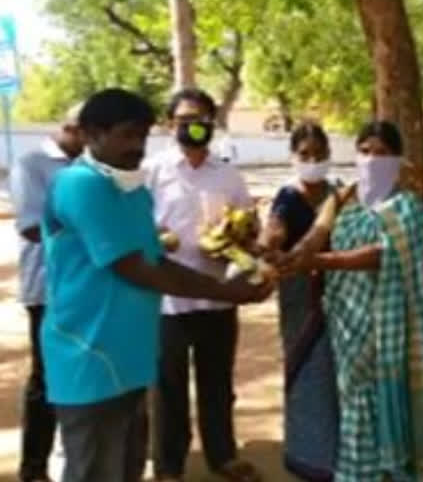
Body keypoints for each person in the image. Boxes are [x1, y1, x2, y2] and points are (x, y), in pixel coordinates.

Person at [41, 88, 273, 482]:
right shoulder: (81, 185)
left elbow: (154, 259)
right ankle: (171, 465)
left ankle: (217, 454)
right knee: (94, 468)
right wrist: (229, 291)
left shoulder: (131, 190)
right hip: (89, 355)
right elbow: (136, 269)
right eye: (128, 135)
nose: (137, 146)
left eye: (142, 136)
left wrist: (238, 271)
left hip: (128, 355)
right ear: (92, 133)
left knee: (127, 465)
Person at [273, 120, 423, 482]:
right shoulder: (344, 200)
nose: (371, 160)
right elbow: (317, 234)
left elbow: (379, 255)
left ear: (397, 159)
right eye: (364, 151)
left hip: (389, 324)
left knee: (381, 395)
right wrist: (291, 257)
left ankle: (393, 470)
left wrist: (317, 261)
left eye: (381, 153)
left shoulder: (407, 206)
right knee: (354, 398)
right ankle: (359, 471)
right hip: (347, 321)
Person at [145, 88, 261, 482]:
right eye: (184, 121)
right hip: (167, 300)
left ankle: (223, 456)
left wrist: (241, 234)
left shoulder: (227, 174)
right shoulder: (154, 171)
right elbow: (134, 227)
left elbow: (249, 226)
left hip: (218, 294)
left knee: (217, 383)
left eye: (200, 120)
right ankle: (168, 466)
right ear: (169, 125)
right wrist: (156, 236)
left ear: (212, 124)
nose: (193, 127)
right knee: (168, 387)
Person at [9, 103, 85, 482]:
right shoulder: (31, 165)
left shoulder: (90, 167)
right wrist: (93, 237)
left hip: (89, 290)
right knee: (46, 378)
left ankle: (75, 460)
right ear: (72, 128)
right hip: (47, 291)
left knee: (83, 375)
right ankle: (34, 468)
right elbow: (30, 227)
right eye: (90, 134)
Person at [260, 122, 338, 481]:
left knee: (336, 374)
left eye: (319, 154)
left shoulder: (340, 195)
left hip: (339, 294)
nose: (312, 161)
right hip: (298, 298)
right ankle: (305, 454)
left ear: (329, 156)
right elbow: (274, 231)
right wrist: (267, 244)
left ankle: (337, 451)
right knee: (304, 368)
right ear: (293, 157)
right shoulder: (286, 198)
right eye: (305, 155)